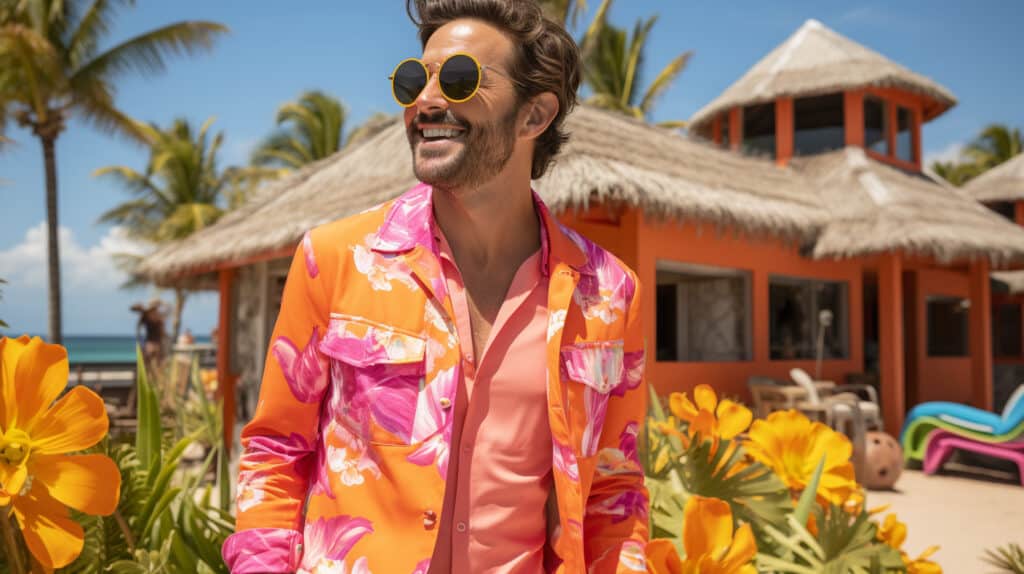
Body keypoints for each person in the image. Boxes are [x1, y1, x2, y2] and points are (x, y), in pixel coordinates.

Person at [223, 1, 648, 572]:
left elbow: (613, 494)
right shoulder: (335, 258)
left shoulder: (609, 293)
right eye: (412, 81)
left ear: (534, 115)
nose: (424, 102)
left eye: (459, 78)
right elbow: (276, 453)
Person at [130, 297, 166, 368]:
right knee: (149, 365)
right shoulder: (148, 314)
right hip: (152, 342)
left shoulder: (156, 315)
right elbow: (133, 308)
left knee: (157, 365)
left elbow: (138, 328)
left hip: (156, 343)